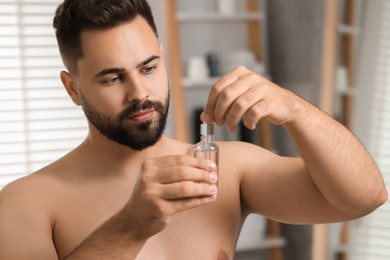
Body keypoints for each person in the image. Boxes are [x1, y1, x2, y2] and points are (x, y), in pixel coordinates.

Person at [0, 0, 387, 259]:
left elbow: (363, 197)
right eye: (113, 78)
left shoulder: (224, 172)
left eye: (148, 68)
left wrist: (295, 110)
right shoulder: (26, 204)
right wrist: (131, 226)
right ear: (73, 88)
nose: (140, 93)